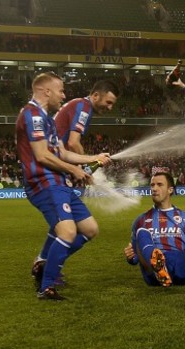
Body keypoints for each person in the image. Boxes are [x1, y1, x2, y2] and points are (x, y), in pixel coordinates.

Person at [16, 72, 112, 300]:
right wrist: (74, 170)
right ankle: (46, 285)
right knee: (68, 231)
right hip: (44, 182)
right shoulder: (32, 114)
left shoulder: (46, 119)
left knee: (89, 229)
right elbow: (41, 155)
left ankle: (44, 265)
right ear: (46, 91)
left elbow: (62, 152)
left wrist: (92, 159)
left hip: (59, 182)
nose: (64, 95)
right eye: (60, 90)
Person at [31, 80, 120, 279]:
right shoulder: (84, 107)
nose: (110, 107)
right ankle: (47, 267)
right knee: (73, 228)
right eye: (108, 102)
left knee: (70, 225)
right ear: (96, 95)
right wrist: (84, 168)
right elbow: (73, 142)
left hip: (59, 168)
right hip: (54, 170)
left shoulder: (80, 105)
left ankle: (43, 262)